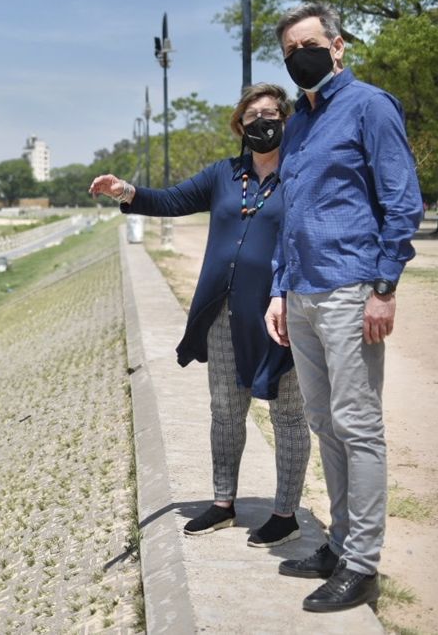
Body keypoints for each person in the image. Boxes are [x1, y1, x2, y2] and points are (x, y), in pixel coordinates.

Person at [90, 83, 309, 548]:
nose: (262, 123)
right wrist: (124, 190)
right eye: (252, 118)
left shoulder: (301, 175)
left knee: (289, 416)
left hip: (280, 314)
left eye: (271, 114)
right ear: (240, 127)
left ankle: (285, 512)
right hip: (224, 315)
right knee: (225, 411)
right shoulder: (224, 175)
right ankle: (223, 502)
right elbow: (171, 201)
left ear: (286, 120)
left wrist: (291, 294)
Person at [264, 2, 424, 613]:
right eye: (287, 52)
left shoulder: (371, 106)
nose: (298, 56)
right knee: (325, 424)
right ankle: (336, 542)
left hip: (352, 288)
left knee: (359, 427)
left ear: (337, 46)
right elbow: (291, 216)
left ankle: (362, 564)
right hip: (302, 292)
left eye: (307, 44)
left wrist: (384, 288)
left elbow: (401, 199)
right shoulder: (298, 124)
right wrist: (280, 287)